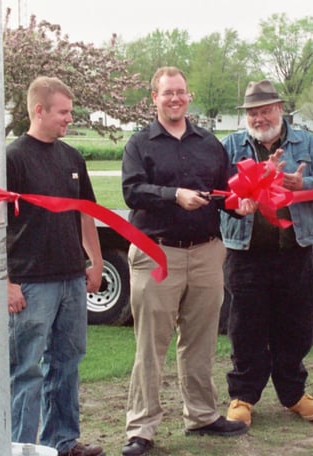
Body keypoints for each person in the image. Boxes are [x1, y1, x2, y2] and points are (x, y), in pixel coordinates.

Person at [120, 66, 255, 456]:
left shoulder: (209, 143)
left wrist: (242, 206)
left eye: (180, 92)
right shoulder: (140, 143)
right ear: (154, 99)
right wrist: (172, 194)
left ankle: (201, 415)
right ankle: (141, 428)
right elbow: (132, 191)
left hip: (207, 252)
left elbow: (226, 194)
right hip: (157, 253)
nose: (175, 99)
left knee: (200, 341)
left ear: (188, 96)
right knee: (151, 344)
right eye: (167, 93)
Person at [220, 80, 313, 428]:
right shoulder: (229, 147)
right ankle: (243, 396)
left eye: (266, 110)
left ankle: (293, 394)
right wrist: (235, 200)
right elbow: (215, 189)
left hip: (295, 252)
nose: (259, 118)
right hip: (245, 254)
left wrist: (305, 185)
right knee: (245, 328)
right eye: (253, 113)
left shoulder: (308, 143)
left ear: (280, 109)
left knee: (296, 327)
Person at [6, 76, 106, 456]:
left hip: (71, 280)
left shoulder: (71, 158)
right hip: (31, 284)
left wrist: (95, 262)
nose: (69, 119)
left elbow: (86, 215)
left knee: (67, 363)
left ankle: (61, 441)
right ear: (39, 110)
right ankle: (20, 446)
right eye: (63, 112)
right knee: (27, 370)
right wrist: (6, 282)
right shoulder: (13, 159)